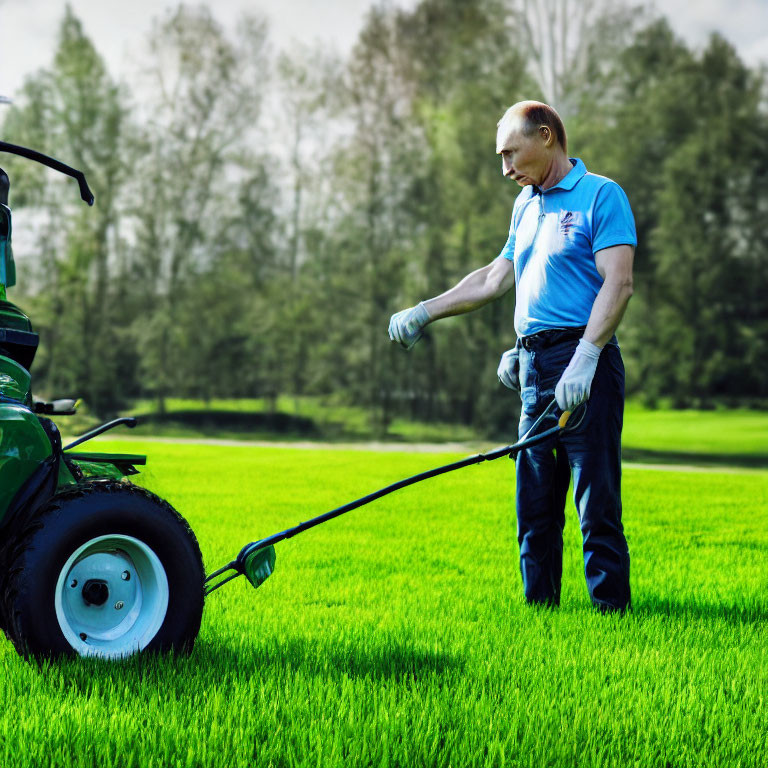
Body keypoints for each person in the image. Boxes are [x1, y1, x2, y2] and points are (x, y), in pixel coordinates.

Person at [388, 100, 636, 612]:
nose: (505, 169)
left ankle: (613, 616)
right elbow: (496, 278)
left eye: (510, 154)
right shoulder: (525, 205)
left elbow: (620, 281)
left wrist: (586, 355)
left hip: (585, 367)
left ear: (545, 137)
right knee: (535, 503)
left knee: (596, 504)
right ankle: (538, 613)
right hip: (533, 369)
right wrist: (424, 311)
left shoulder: (601, 196)